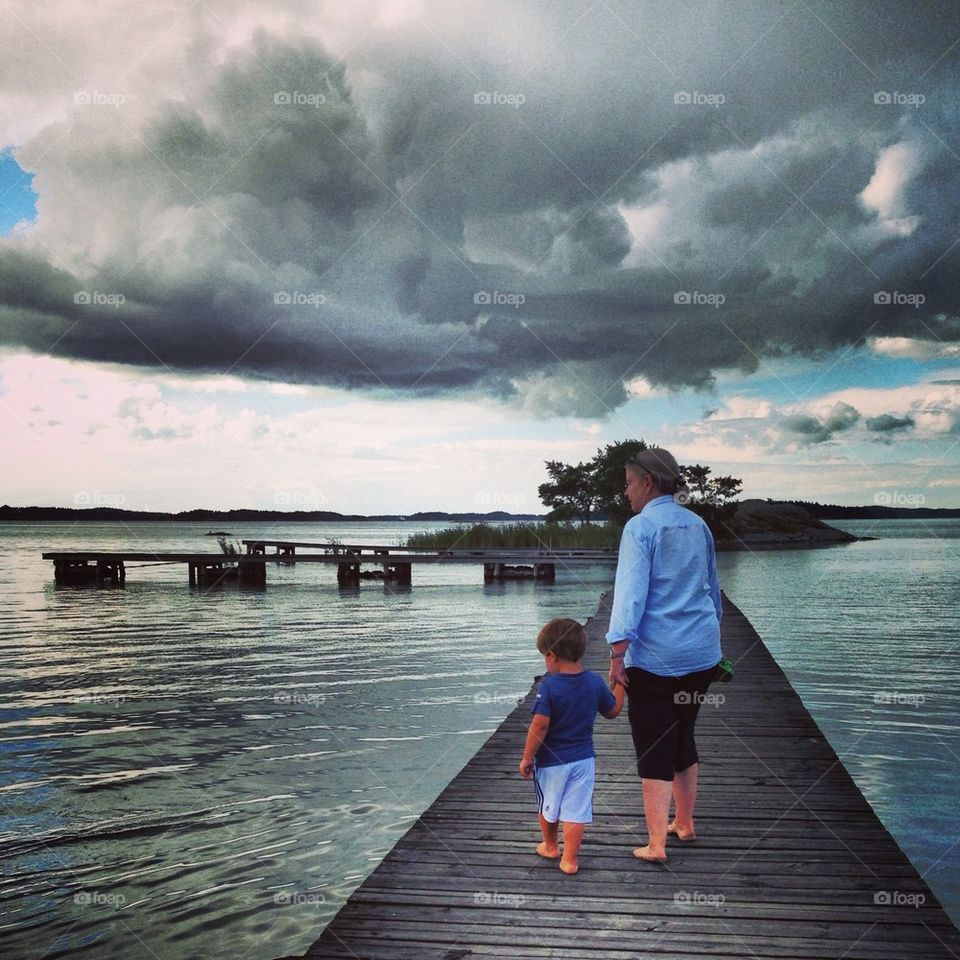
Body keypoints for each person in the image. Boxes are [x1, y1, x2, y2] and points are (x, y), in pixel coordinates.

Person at [606, 447, 722, 864]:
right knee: (683, 734)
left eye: (629, 483)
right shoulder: (697, 524)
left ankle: (656, 844)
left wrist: (618, 653)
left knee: (654, 742)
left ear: (648, 483)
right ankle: (685, 824)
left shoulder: (641, 527)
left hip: (657, 657)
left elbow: (630, 595)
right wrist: (712, 637)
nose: (625, 492)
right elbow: (712, 585)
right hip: (701, 652)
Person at [519, 617, 625, 874]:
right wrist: (621, 684)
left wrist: (527, 757)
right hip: (583, 760)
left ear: (553, 656)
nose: (545, 662)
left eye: (545, 657)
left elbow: (540, 726)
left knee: (548, 806)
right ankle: (570, 860)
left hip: (552, 762)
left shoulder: (549, 686)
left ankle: (550, 846)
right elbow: (613, 711)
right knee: (576, 811)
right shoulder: (594, 682)